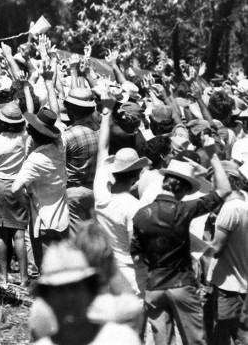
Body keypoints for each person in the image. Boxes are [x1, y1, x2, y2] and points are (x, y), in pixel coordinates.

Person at [131, 153, 232, 345]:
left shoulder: (140, 214)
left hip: (154, 286)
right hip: (181, 284)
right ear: (184, 190)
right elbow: (224, 189)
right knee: (195, 340)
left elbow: (137, 259)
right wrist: (213, 157)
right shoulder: (183, 210)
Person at [29, 242, 142, 345]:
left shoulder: (120, 339)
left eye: (75, 288)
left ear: (91, 291)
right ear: (47, 299)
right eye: (58, 291)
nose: (68, 298)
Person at [94, 94, 149, 295]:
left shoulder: (101, 192)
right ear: (136, 178)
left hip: (106, 271)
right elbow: (137, 252)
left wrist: (106, 111)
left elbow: (102, 148)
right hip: (131, 279)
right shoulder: (134, 208)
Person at [12, 107, 69, 268]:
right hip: (63, 217)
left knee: (46, 269)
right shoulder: (60, 147)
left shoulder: (35, 160)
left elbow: (15, 189)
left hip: (42, 220)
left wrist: (27, 203)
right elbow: (59, 127)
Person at [0, 102, 29, 287]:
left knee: (0, 233)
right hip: (18, 186)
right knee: (19, 233)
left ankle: (3, 277)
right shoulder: (26, 139)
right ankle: (23, 277)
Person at [208, 161, 248, 345]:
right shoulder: (244, 199)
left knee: (231, 335)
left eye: (216, 180)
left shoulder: (230, 209)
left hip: (229, 285)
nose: (214, 186)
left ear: (229, 180)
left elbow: (216, 249)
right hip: (242, 280)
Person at [61, 87, 99, 236]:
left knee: (77, 239)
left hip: (74, 193)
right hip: (95, 189)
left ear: (71, 110)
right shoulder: (99, 130)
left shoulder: (68, 136)